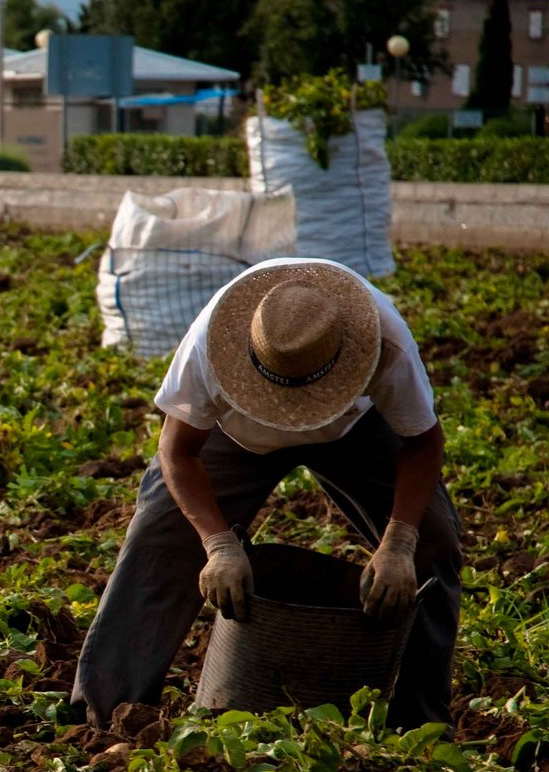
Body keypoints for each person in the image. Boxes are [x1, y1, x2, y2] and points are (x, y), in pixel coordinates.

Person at [70, 258, 462, 731]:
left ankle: (417, 726)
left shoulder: (384, 339)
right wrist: (217, 544)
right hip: (233, 437)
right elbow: (177, 452)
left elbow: (423, 442)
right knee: (159, 543)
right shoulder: (209, 347)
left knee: (432, 546)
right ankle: (110, 716)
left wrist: (400, 542)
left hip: (354, 432)